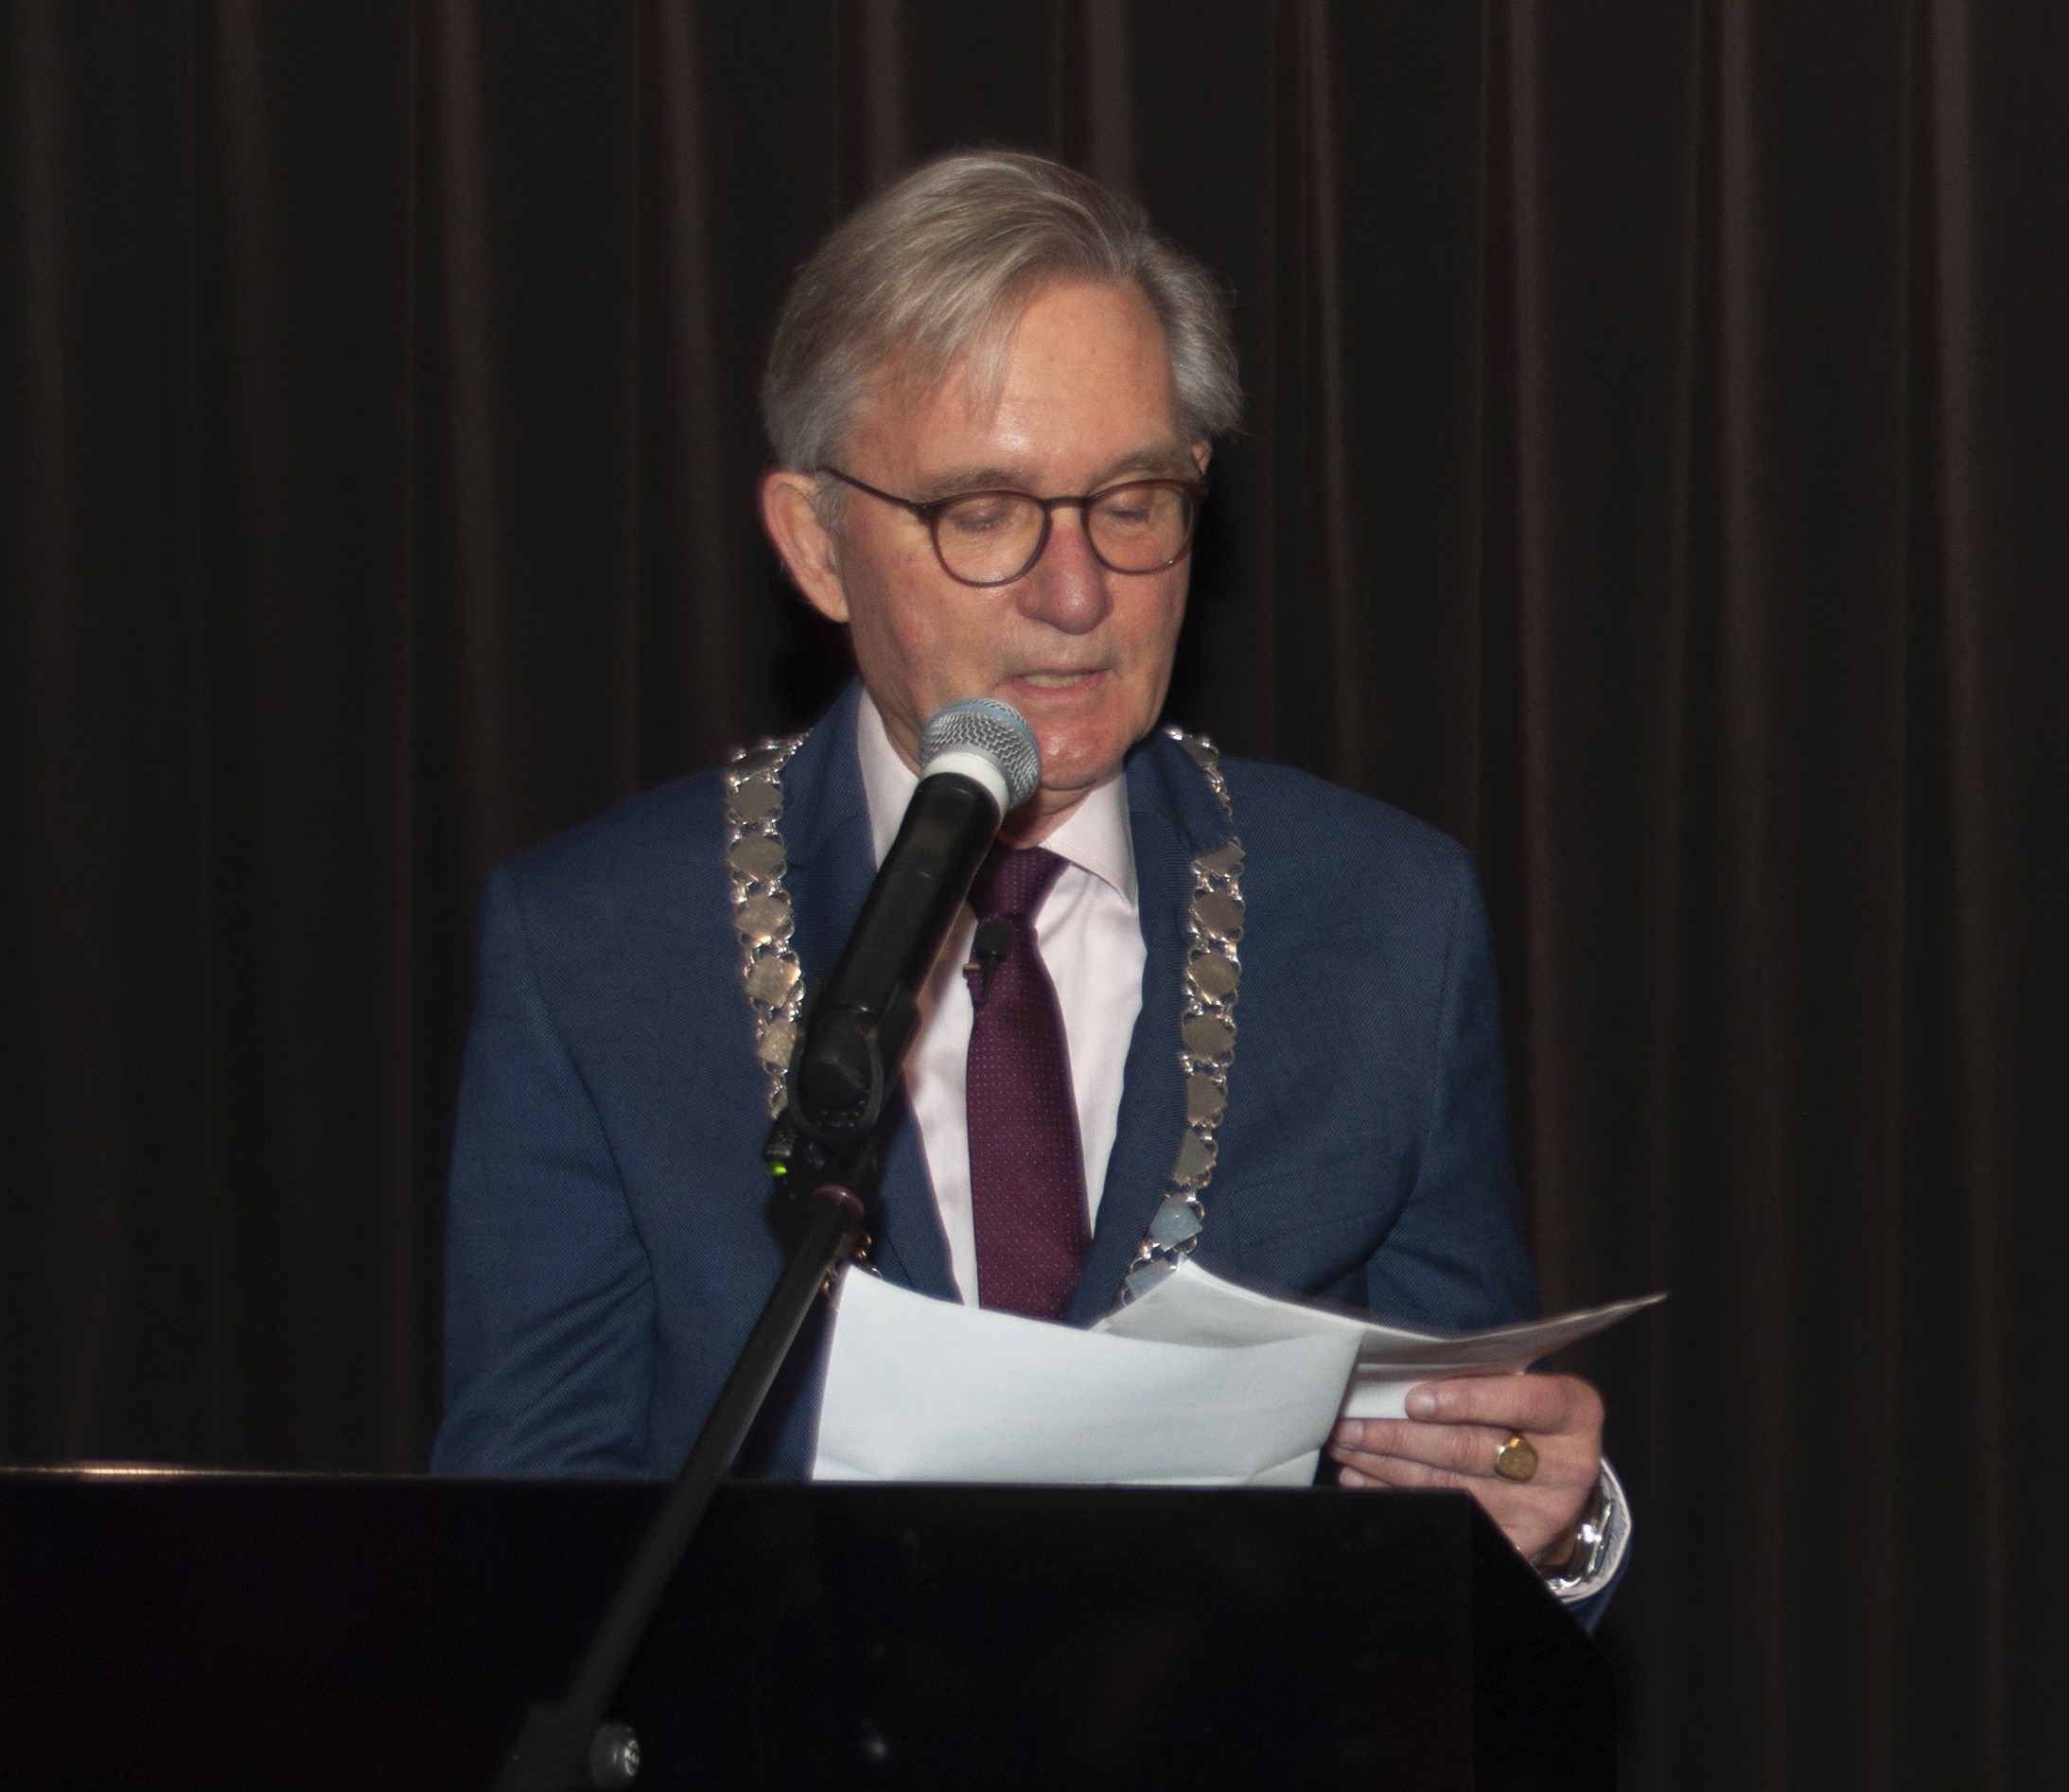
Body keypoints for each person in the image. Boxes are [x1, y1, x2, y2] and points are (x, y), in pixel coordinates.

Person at [433, 149, 1622, 1602]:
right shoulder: (599, 951)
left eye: (1132, 499)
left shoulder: (1385, 924)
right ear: (816, 543)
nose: (1077, 593)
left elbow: (1475, 1514)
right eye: (984, 514)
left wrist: (1556, 1533)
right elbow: (518, 1570)